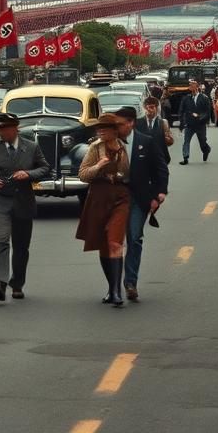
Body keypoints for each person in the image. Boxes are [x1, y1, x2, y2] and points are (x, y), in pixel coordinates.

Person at [0, 112, 50, 301]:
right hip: (0, 200)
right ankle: (0, 282)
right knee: (2, 240)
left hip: (23, 200)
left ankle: (17, 284)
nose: (0, 132)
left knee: (21, 246)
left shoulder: (31, 147)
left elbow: (45, 168)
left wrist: (28, 173)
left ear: (15, 128)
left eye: (4, 128)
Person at [76, 114, 131, 307]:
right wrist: (99, 166)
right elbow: (82, 175)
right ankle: (111, 287)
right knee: (103, 244)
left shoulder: (125, 147)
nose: (100, 131)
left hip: (121, 198)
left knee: (115, 242)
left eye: (105, 128)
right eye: (99, 129)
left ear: (114, 131)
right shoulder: (95, 148)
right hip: (99, 198)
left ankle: (116, 292)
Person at [116, 106, 168, 302]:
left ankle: (130, 282)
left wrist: (159, 193)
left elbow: (160, 169)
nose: (117, 128)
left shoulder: (146, 142)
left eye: (120, 124)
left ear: (131, 123)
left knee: (135, 238)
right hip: (115, 198)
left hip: (138, 198)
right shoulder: (107, 143)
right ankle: (113, 285)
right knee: (113, 243)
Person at [178, 79, 213, 165]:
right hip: (189, 124)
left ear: (197, 87)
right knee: (186, 141)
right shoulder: (186, 99)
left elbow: (207, 112)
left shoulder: (204, 98)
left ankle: (206, 150)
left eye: (193, 86)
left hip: (200, 125)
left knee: (202, 142)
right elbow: (182, 111)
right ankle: (185, 158)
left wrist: (200, 117)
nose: (191, 88)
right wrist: (182, 123)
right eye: (190, 86)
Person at [136, 96, 173, 164]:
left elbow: (170, 141)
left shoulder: (163, 122)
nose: (149, 109)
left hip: (159, 159)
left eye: (152, 107)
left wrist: (168, 139)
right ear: (144, 108)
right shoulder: (137, 123)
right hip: (142, 160)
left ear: (157, 108)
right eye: (147, 107)